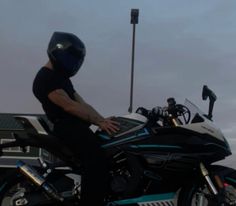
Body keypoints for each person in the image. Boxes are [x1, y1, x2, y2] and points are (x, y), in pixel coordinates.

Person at [33, 31, 119, 206]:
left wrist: (104, 121)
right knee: (96, 162)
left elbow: (82, 103)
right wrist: (99, 121)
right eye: (69, 59)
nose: (72, 64)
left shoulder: (61, 78)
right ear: (57, 52)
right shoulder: (46, 78)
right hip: (67, 129)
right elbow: (69, 106)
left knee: (110, 152)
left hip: (77, 128)